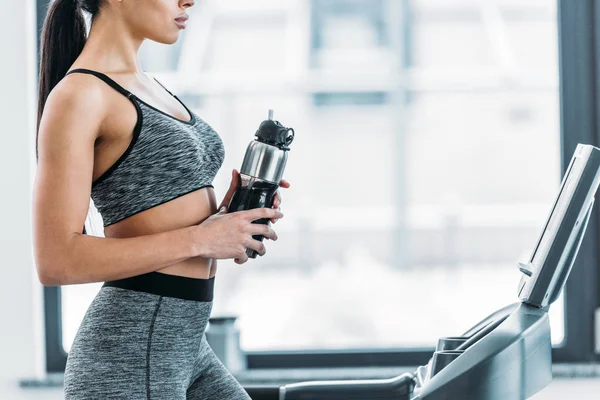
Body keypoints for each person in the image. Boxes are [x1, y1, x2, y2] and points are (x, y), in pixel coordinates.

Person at [32, 0, 289, 398]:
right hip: (129, 355)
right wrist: (202, 240)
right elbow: (55, 260)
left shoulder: (148, 85)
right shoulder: (80, 95)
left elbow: (160, 210)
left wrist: (227, 222)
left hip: (186, 346)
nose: (189, 1)